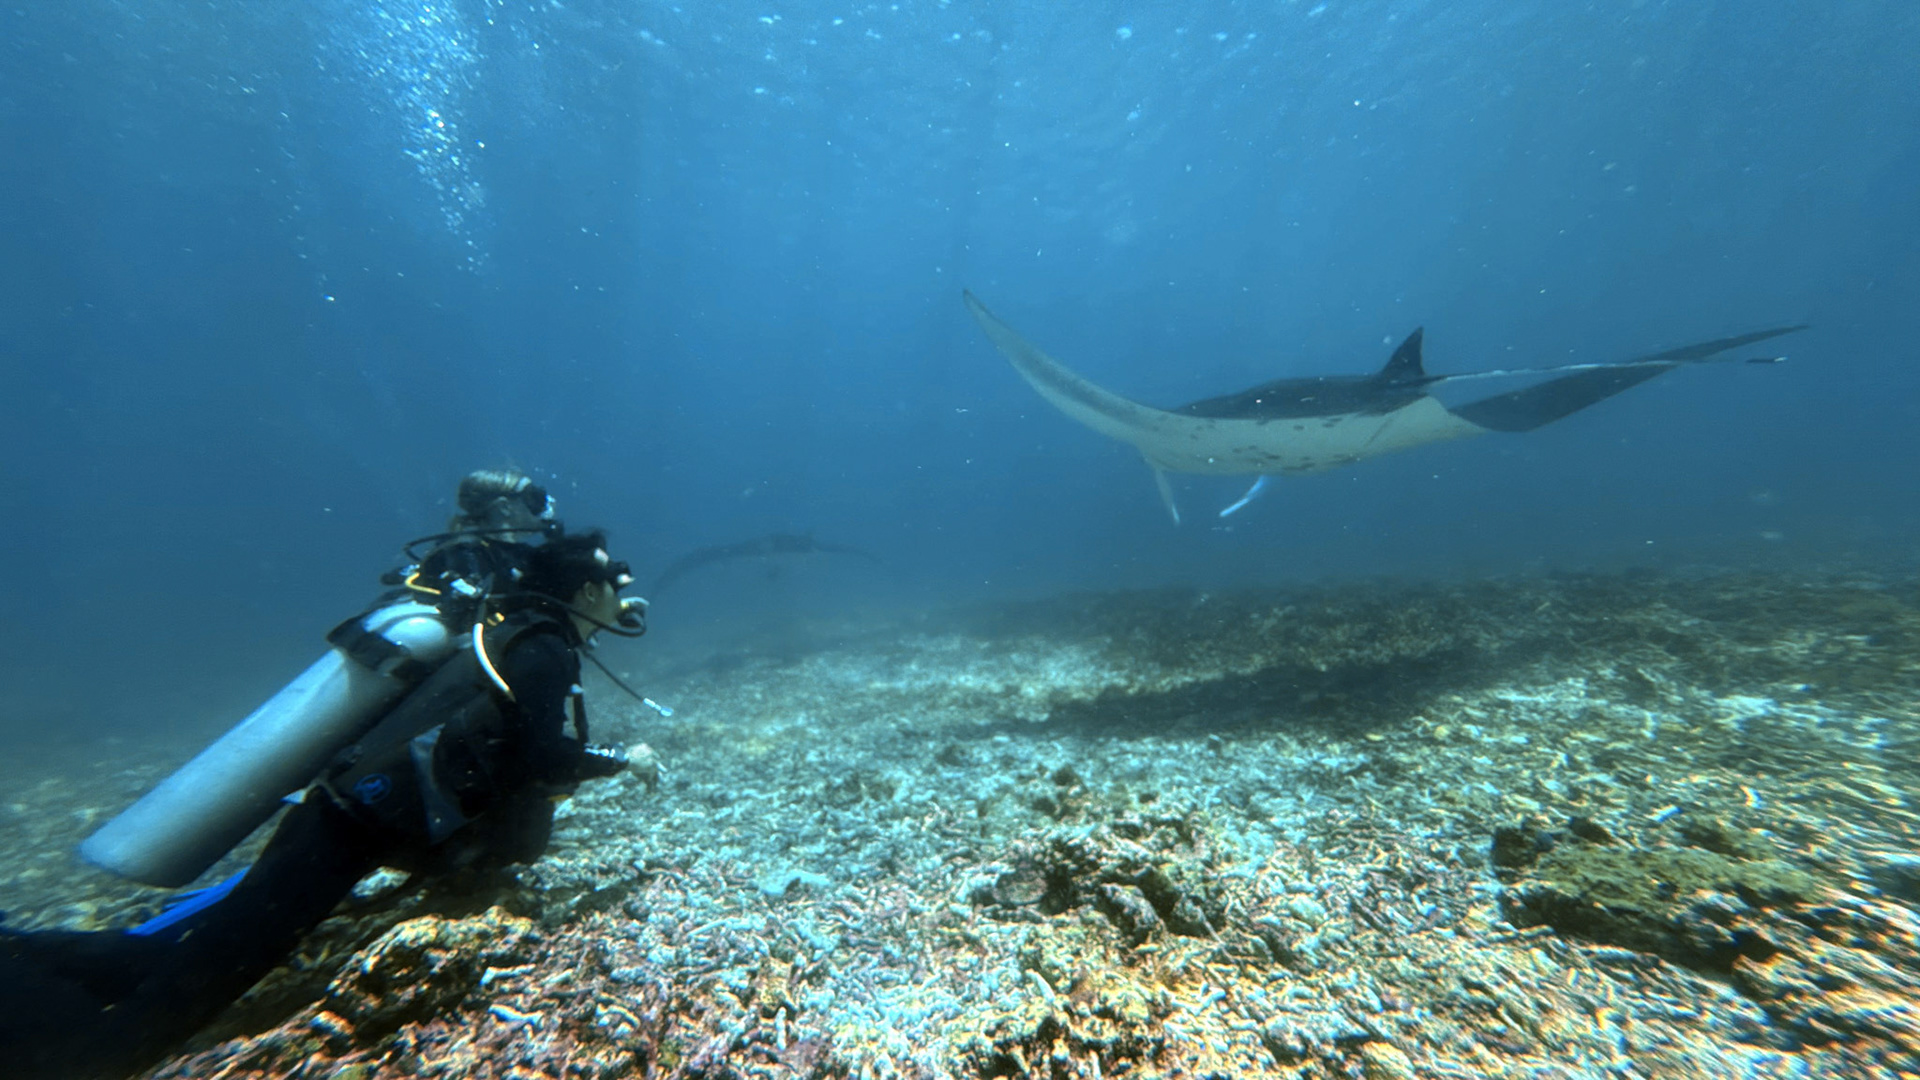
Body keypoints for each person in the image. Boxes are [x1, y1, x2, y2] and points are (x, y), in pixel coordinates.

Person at [0, 471, 649, 1080]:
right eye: (615, 585)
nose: (625, 598)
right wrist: (624, 762)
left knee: (205, 954)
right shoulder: (543, 647)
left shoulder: (525, 632)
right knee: (194, 988)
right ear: (586, 591)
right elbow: (537, 758)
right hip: (354, 821)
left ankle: (34, 960)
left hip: (352, 811)